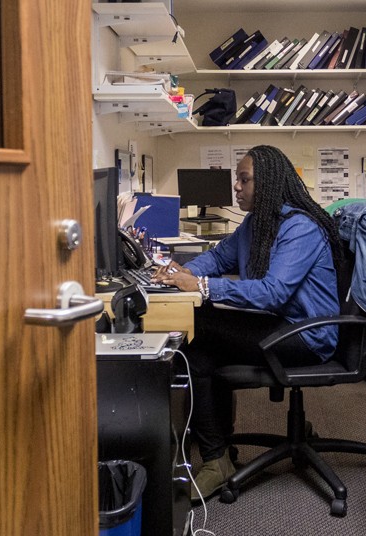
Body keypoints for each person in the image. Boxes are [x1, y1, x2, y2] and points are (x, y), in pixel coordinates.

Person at [150, 145, 343, 501]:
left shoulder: (300, 227)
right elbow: (219, 257)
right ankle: (217, 456)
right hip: (275, 325)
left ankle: (216, 456)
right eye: (236, 179)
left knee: (199, 325)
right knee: (198, 352)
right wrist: (183, 273)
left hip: (307, 335)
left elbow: (273, 292)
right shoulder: (256, 224)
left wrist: (203, 287)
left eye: (243, 179)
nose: (236, 187)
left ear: (267, 182)